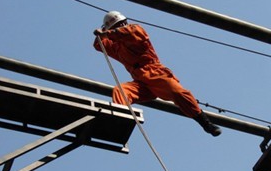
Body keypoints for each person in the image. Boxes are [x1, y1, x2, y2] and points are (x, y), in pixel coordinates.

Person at [93, 11, 221, 137]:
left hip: (155, 73)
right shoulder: (117, 47)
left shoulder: (135, 30)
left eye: (122, 24)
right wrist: (100, 34)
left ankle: (205, 123)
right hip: (141, 82)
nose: (122, 26)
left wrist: (106, 33)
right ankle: (118, 121)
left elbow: (130, 33)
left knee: (179, 93)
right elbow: (99, 45)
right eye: (117, 26)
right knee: (120, 91)